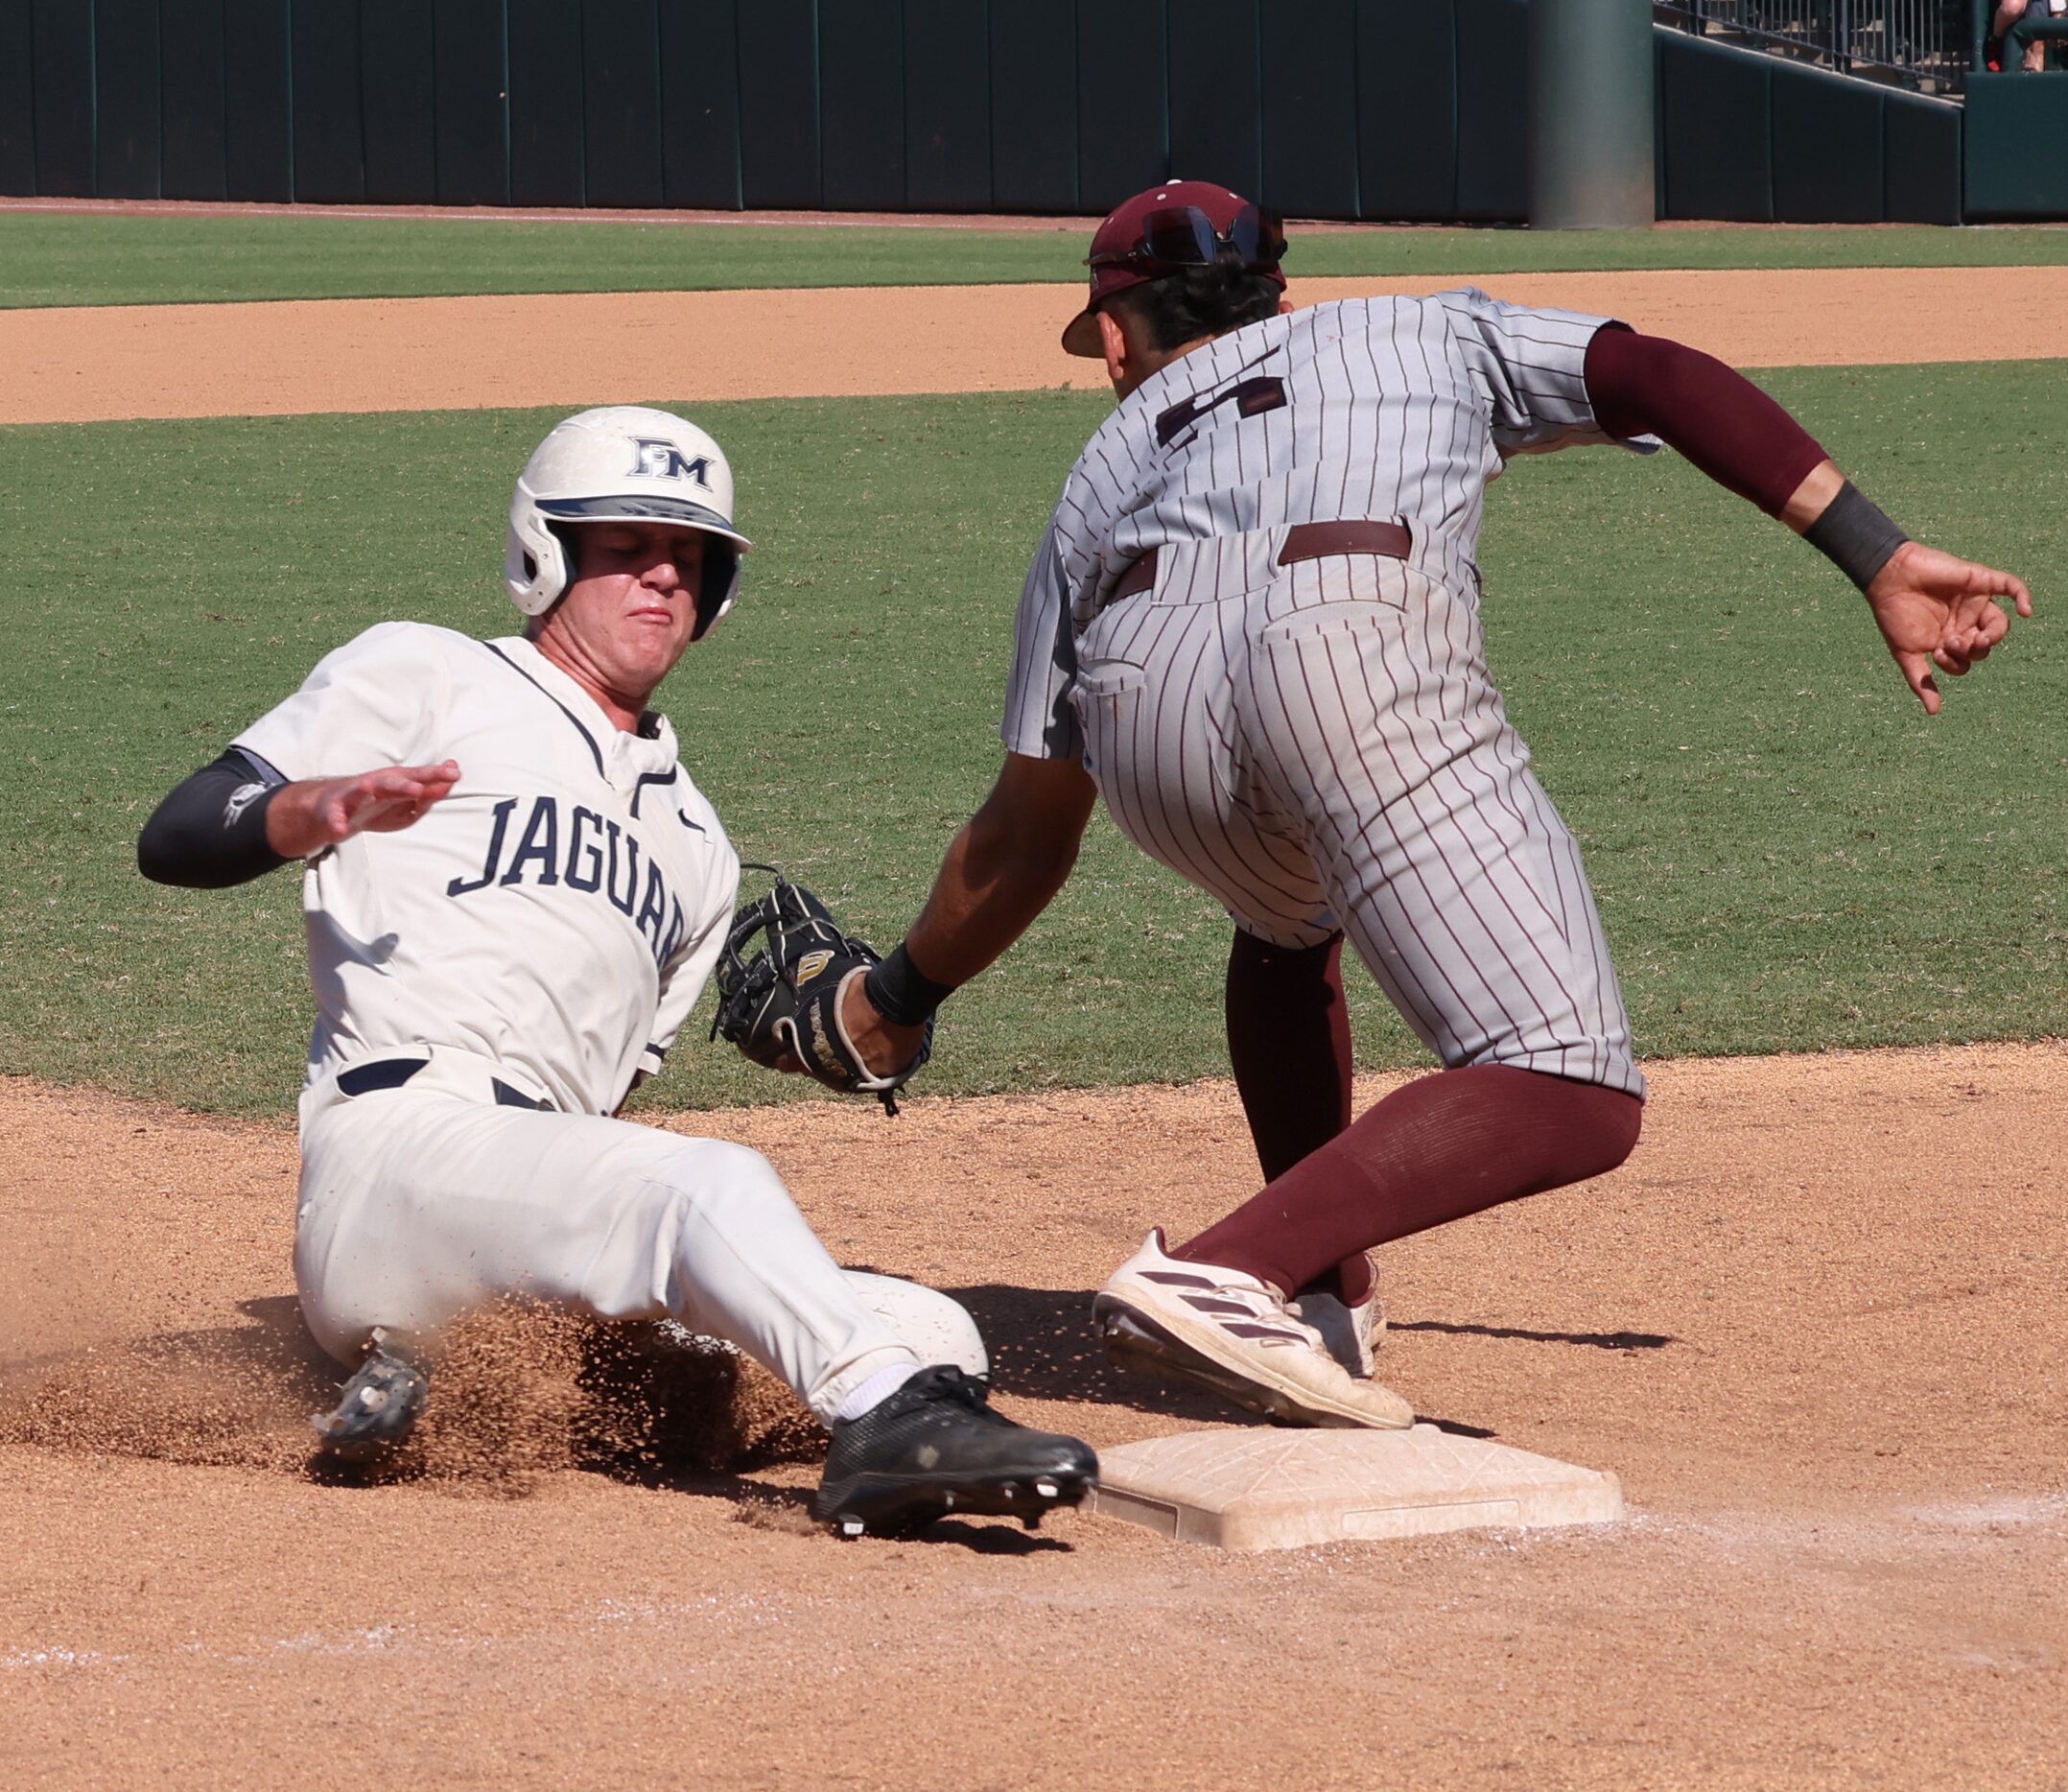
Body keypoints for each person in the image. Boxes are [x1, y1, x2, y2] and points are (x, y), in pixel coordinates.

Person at [822, 181, 2033, 1430]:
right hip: (1349, 641)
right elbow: (1655, 373)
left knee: (1287, 922)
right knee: (1567, 1082)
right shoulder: (1418, 328)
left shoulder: (1100, 470)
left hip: (1147, 714)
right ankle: (1227, 1271)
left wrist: (901, 993)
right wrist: (1877, 553)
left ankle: (1315, 1300)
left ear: (1119, 337)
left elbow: (1023, 835)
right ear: (1281, 294)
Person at [135, 405, 1096, 1536]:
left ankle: (460, 1389)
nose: (661, 579)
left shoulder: (696, 850)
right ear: (546, 553)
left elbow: (599, 1120)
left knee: (933, 1333)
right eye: (626, 548)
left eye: (688, 558)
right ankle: (874, 1430)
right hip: (392, 1157)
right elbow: (180, 832)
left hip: (519, 1220)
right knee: (704, 1184)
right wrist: (307, 811)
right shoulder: (427, 673)